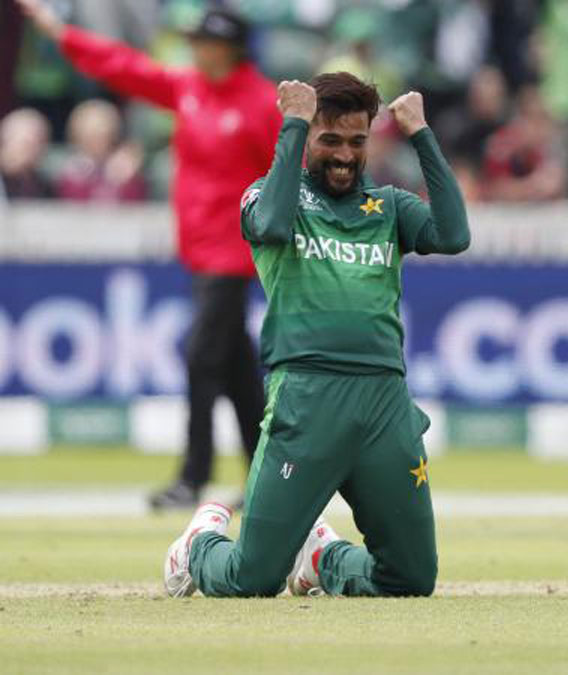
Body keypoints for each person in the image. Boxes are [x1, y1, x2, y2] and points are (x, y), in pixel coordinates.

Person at [164, 72, 470, 599]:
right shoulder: (268, 195)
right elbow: (271, 226)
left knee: (410, 579)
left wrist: (421, 135)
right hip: (306, 399)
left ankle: (323, 558)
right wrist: (293, 123)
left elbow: (454, 235)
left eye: (357, 141)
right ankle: (197, 547)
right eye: (330, 140)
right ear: (305, 137)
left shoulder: (389, 207)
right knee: (252, 579)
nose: (345, 156)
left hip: (384, 402)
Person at [15, 0, 281, 509]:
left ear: (231, 48)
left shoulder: (261, 102)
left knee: (201, 355)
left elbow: (288, 172)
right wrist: (62, 32)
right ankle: (264, 476)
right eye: (195, 41)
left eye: (206, 42)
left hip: (236, 253)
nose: (196, 50)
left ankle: (193, 478)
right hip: (199, 250)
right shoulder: (190, 89)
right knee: (235, 366)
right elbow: (125, 67)